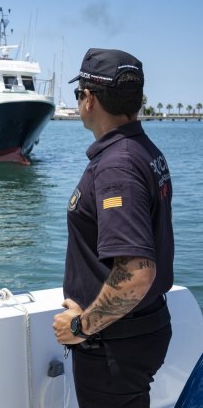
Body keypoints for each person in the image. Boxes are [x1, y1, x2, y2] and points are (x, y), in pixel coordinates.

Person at [52, 48, 174, 407]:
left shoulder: (116, 166)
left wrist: (80, 327)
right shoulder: (142, 150)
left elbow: (136, 272)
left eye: (79, 94)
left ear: (89, 99)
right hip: (136, 332)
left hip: (114, 343)